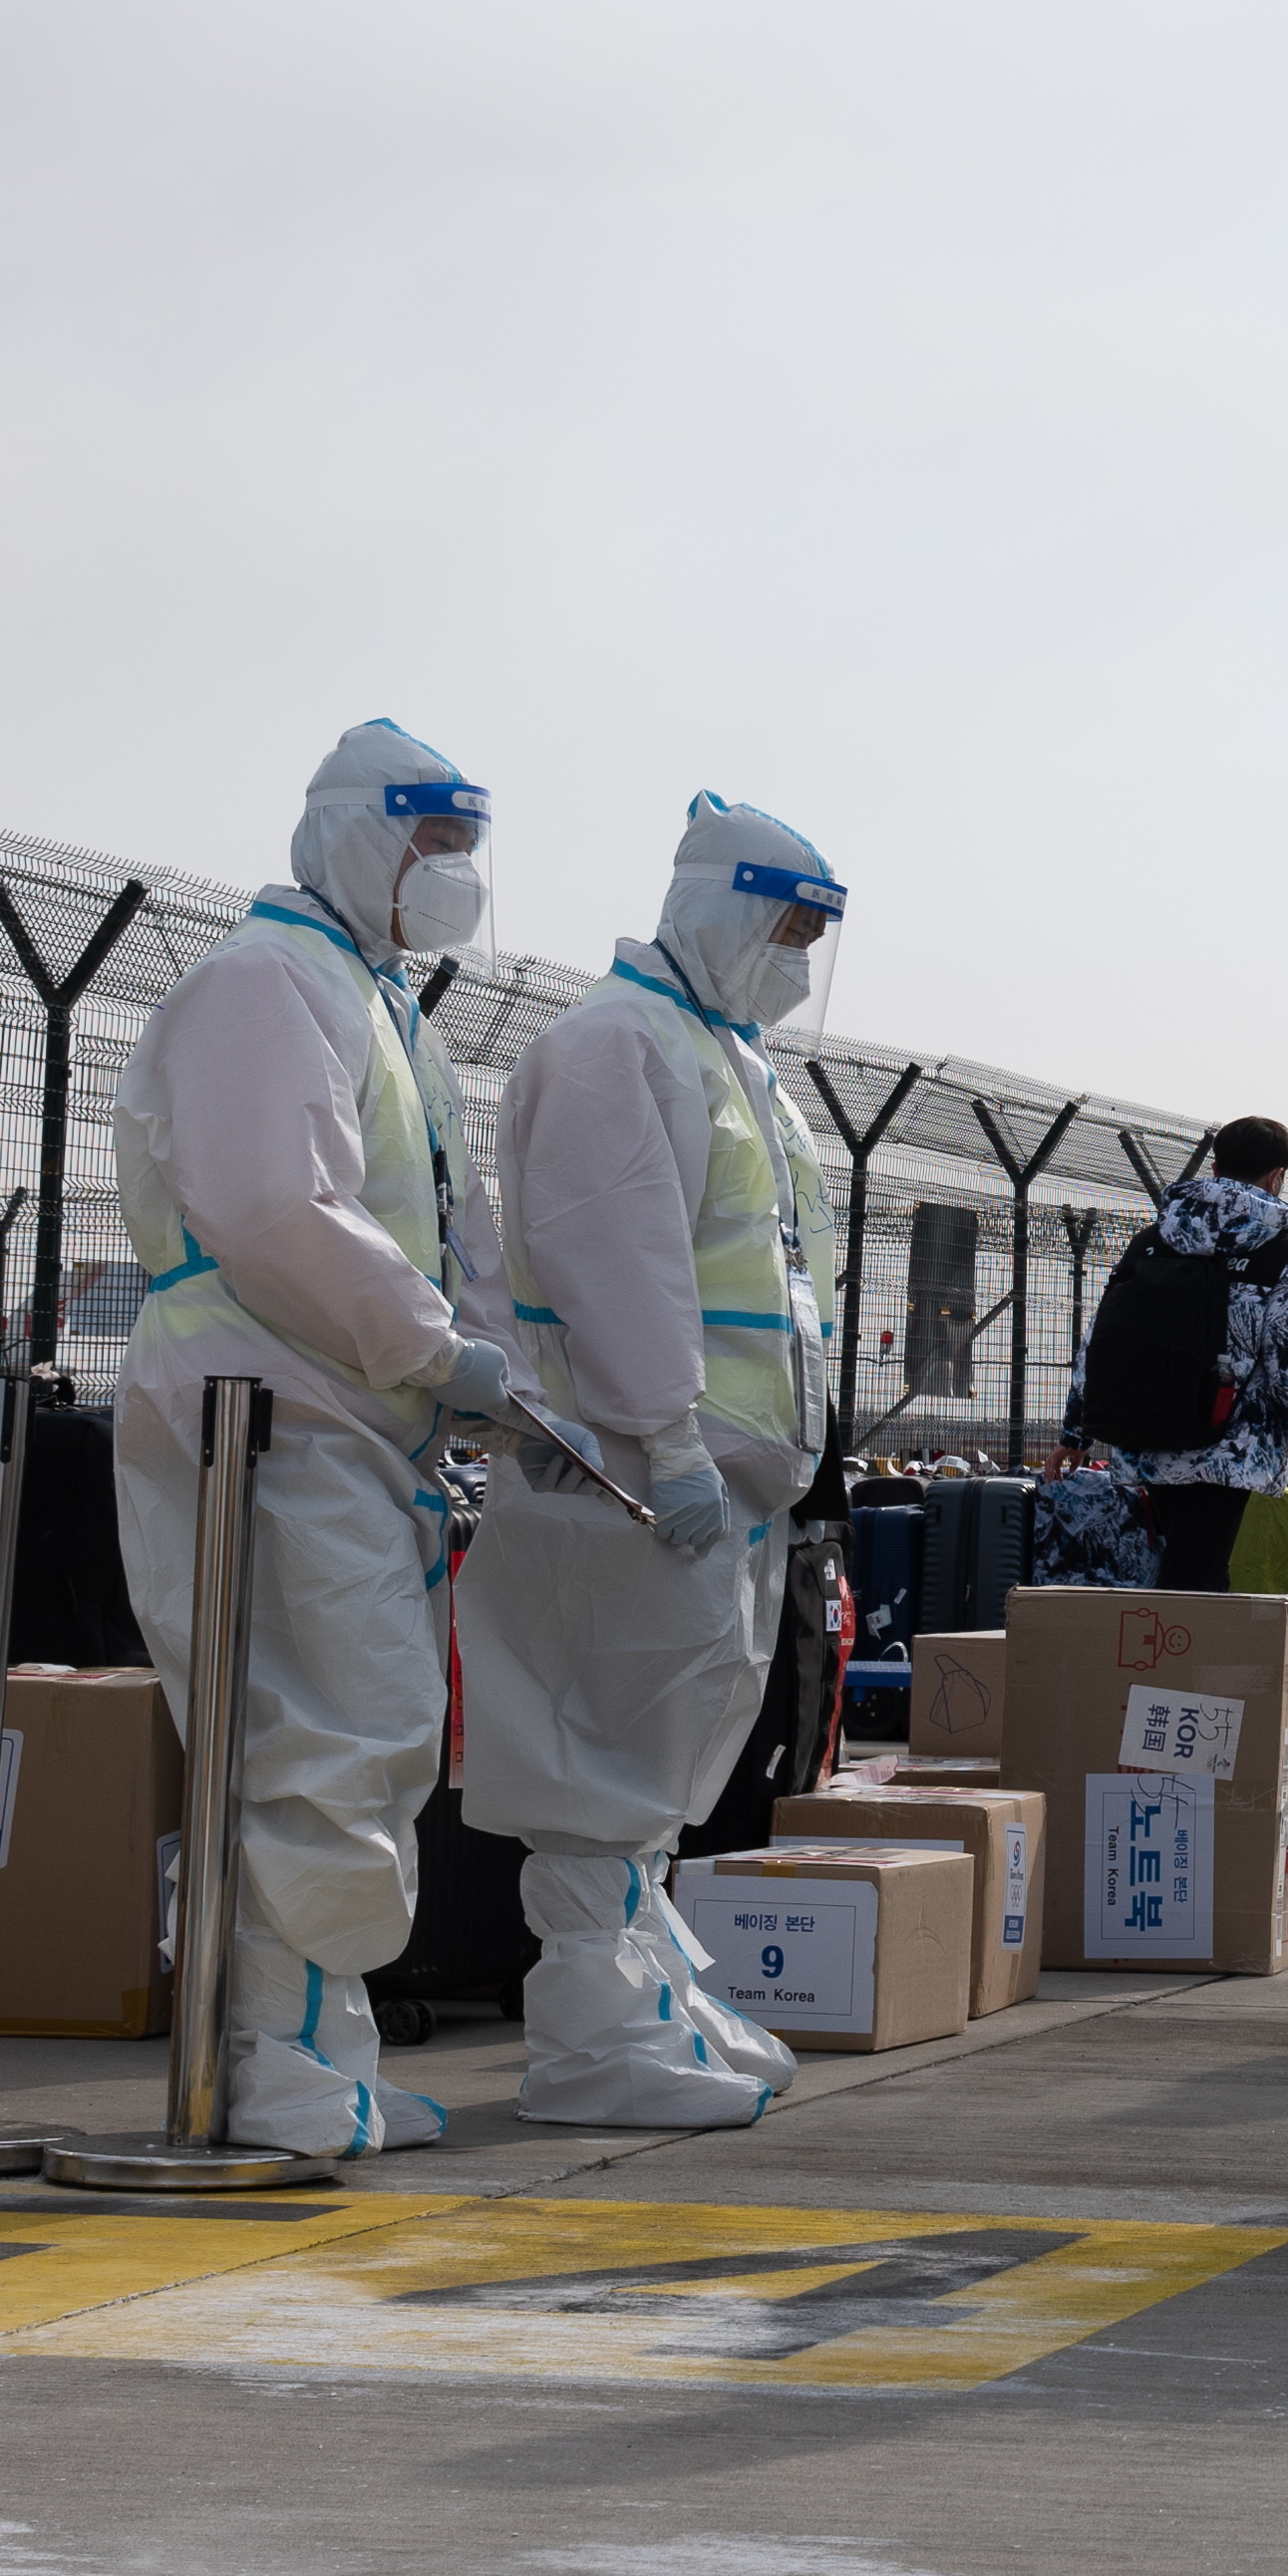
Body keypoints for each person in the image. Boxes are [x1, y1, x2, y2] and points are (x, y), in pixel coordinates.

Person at [109, 719, 508, 2153]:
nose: (453, 874)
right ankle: (267, 2056)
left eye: (465, 846)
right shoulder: (265, 983)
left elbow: (433, 1217)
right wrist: (428, 1345)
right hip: (265, 1407)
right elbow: (277, 1208)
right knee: (303, 1740)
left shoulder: (377, 1002)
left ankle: (316, 2036)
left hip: (347, 1414)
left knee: (362, 1740)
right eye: (429, 843)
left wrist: (480, 1359)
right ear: (353, 831)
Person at [455, 796, 844, 2129]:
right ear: (721, 905)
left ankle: (644, 1993)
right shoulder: (618, 1045)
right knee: (599, 1761)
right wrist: (666, 1438)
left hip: (718, 1481)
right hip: (627, 1475)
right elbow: (615, 1259)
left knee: (661, 1760)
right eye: (785, 927)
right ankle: (586, 2035)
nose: (796, 958)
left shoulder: (722, 1060)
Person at [1114, 1120, 1288, 1593]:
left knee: (1186, 1569)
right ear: (1277, 1177)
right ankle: (1183, 1665)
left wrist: (1076, 1431)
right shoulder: (1281, 1251)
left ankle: (1161, 1659)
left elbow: (1106, 1336)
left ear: (1214, 1167)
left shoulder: (1153, 1240)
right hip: (1228, 1444)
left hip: (1147, 1430)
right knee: (1198, 1581)